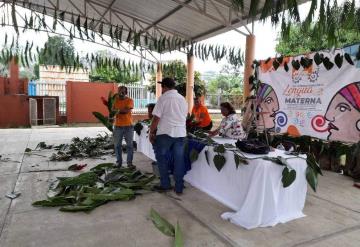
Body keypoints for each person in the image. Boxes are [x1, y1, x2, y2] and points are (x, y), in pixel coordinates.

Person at [148, 77, 188, 195]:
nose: (161, 89)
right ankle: (179, 187)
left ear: (164, 87)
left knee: (162, 159)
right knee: (179, 160)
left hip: (165, 133)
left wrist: (151, 132)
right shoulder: (182, 99)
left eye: (162, 87)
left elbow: (156, 118)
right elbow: (184, 115)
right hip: (180, 134)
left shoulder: (163, 99)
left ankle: (165, 184)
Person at [112, 85, 135, 168]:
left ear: (126, 92)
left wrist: (116, 111)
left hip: (128, 126)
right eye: (120, 91)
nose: (121, 93)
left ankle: (129, 163)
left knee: (130, 145)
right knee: (117, 145)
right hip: (117, 126)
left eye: (123, 91)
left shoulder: (130, 100)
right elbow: (111, 112)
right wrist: (113, 114)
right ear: (117, 92)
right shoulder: (114, 100)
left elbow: (126, 111)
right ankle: (119, 162)